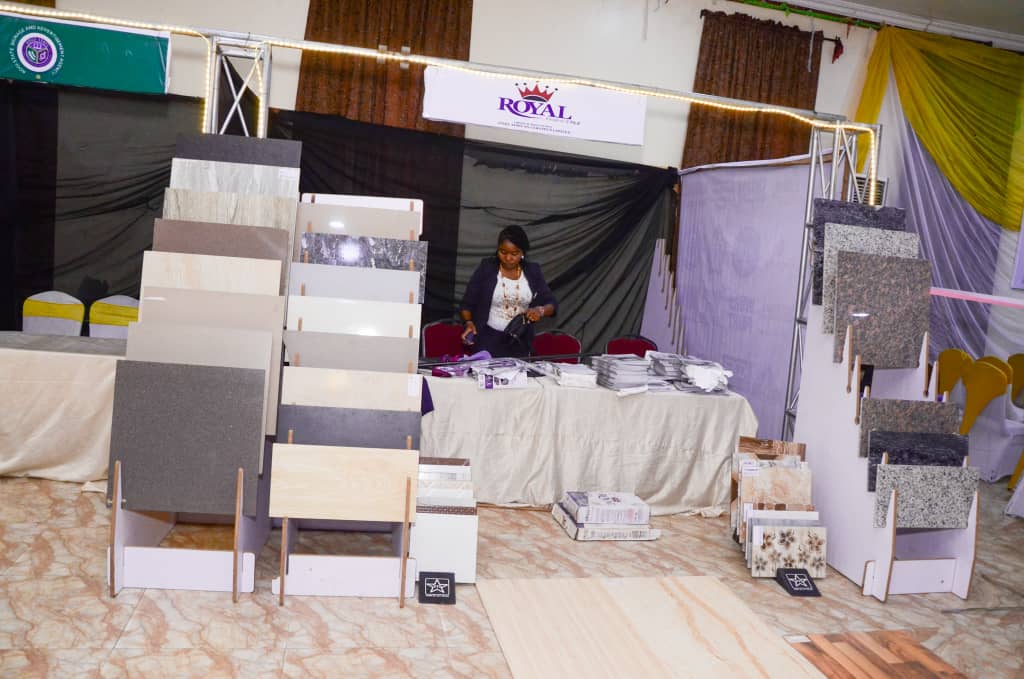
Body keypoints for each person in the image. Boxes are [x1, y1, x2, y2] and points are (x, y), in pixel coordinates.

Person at [459, 225, 556, 358]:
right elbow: (467, 303)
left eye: (514, 254)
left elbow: (551, 303)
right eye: (503, 252)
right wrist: (468, 323)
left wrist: (541, 310)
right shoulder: (487, 268)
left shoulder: (533, 271)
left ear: (522, 253)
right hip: (487, 340)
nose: (508, 258)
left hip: (519, 342)